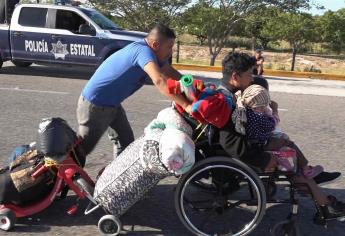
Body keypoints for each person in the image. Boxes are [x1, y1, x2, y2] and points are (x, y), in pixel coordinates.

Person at [218, 51, 345, 220]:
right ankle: (326, 205)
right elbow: (231, 143)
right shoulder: (226, 101)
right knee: (291, 162)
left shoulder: (230, 95)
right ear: (235, 76)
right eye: (249, 75)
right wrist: (263, 158)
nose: (252, 79)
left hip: (249, 147)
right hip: (247, 154)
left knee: (289, 155)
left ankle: (324, 202)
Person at [76, 23, 191, 158]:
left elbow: (170, 72)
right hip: (95, 106)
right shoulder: (143, 52)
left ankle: (114, 177)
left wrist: (194, 84)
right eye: (169, 47)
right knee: (80, 151)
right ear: (155, 45)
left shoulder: (154, 54)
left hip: (112, 105)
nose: (171, 52)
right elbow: (159, 80)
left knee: (126, 145)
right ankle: (52, 176)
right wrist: (186, 105)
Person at [233, 84, 324, 178]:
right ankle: (305, 169)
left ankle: (292, 165)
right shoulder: (258, 116)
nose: (265, 107)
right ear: (259, 105)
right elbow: (272, 125)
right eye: (264, 106)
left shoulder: (247, 110)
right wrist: (271, 113)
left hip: (254, 140)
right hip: (261, 143)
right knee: (288, 143)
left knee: (283, 137)